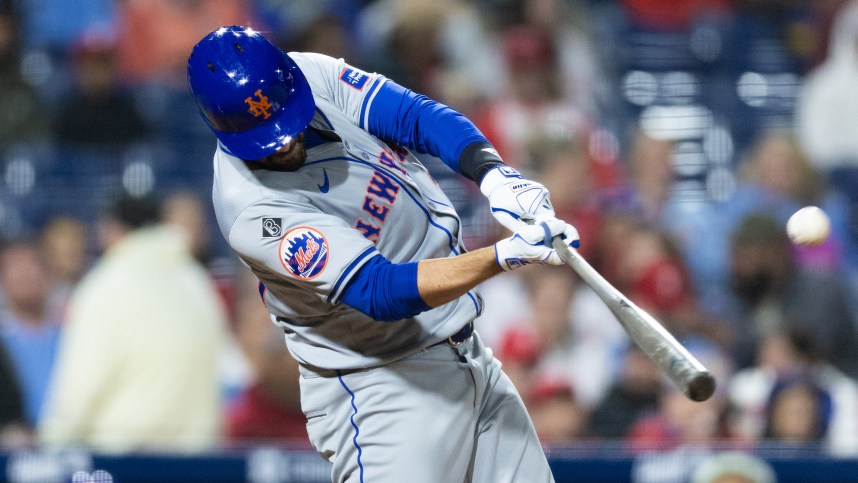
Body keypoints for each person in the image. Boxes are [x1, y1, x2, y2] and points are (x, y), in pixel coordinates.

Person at [187, 25, 580, 482]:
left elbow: (413, 116)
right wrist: (501, 255)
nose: (287, 140)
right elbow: (380, 291)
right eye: (268, 138)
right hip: (384, 389)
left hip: (468, 355)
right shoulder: (253, 209)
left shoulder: (307, 74)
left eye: (287, 120)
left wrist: (493, 175)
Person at [38, 194, 228, 453]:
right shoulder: (197, 283)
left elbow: (81, 387)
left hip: (125, 464)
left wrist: (50, 444)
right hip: (195, 462)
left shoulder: (106, 285)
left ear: (113, 229)